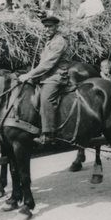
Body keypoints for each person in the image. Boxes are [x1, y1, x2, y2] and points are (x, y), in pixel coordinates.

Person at [18, 16, 71, 146]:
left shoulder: (59, 42)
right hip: (45, 76)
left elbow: (48, 64)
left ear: (56, 27)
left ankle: (49, 134)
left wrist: (30, 74)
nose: (47, 29)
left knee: (46, 99)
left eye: (50, 26)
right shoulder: (49, 41)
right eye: (46, 26)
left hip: (56, 77)